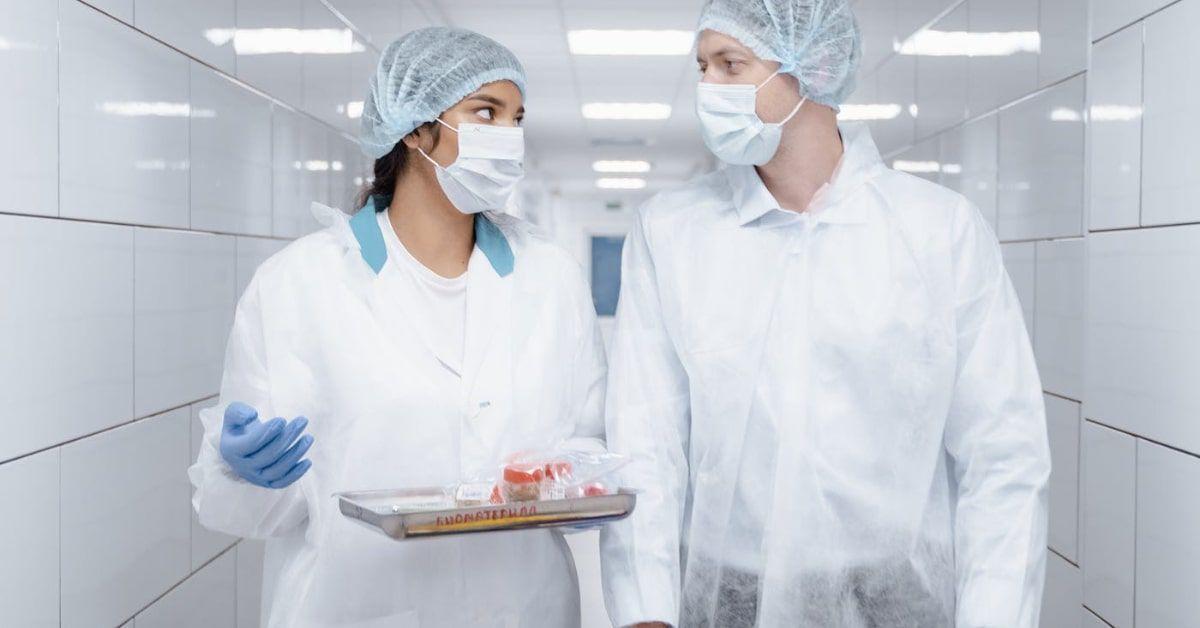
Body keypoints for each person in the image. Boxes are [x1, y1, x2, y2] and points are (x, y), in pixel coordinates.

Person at [599, 1, 1050, 626]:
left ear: (812, 69)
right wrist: (645, 609)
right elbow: (644, 441)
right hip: (727, 595)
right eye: (703, 67)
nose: (707, 89)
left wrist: (995, 614)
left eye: (731, 65)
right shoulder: (672, 233)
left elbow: (1003, 452)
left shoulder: (936, 232)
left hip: (898, 595)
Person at [189, 27, 606, 628]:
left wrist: (573, 479)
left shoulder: (552, 280)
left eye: (516, 119)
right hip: (355, 607)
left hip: (522, 606)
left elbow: (586, 444)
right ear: (415, 128)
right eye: (485, 113)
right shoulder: (300, 285)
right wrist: (241, 474)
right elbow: (250, 513)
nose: (508, 138)